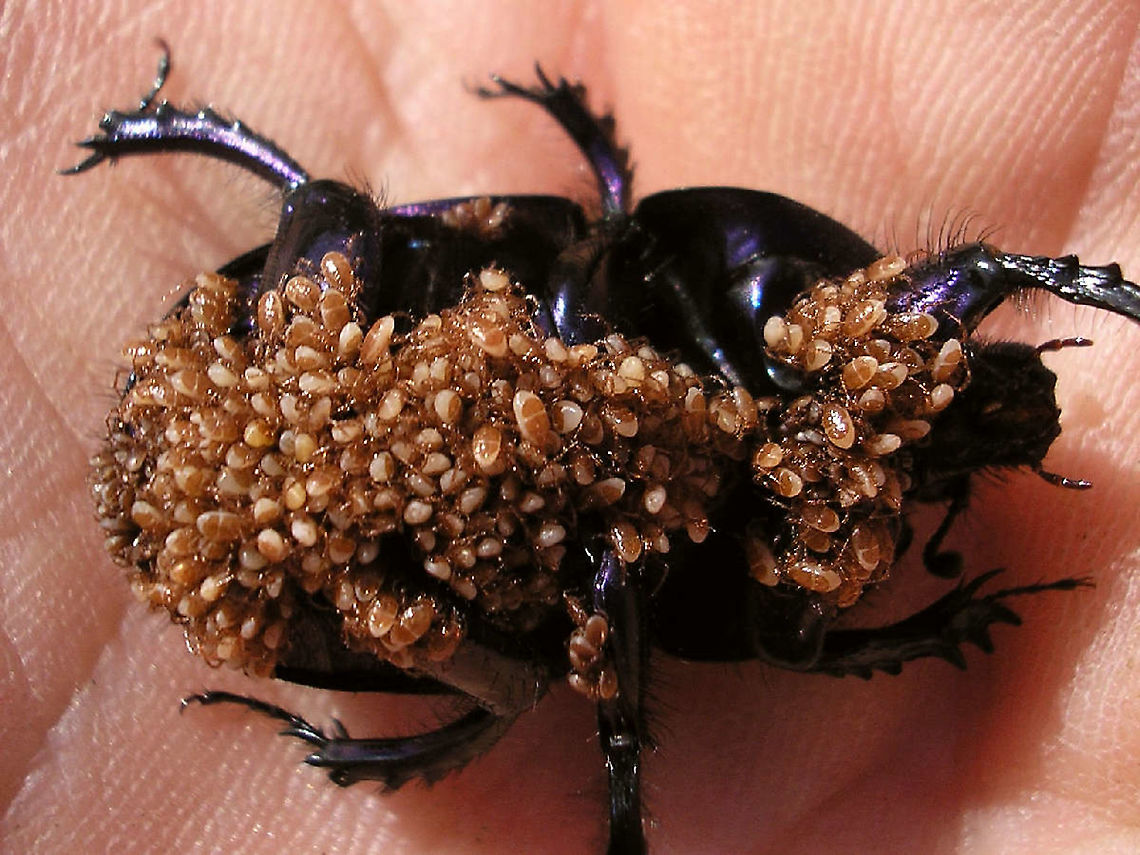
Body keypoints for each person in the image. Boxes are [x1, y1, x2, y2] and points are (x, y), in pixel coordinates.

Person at [4, 3, 1138, 852]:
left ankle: (161, 127)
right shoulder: (784, 308)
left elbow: (767, 633)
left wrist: (627, 763)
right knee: (339, 225)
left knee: (535, 662)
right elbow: (623, 240)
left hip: (393, 513)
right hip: (300, 373)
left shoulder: (794, 541)